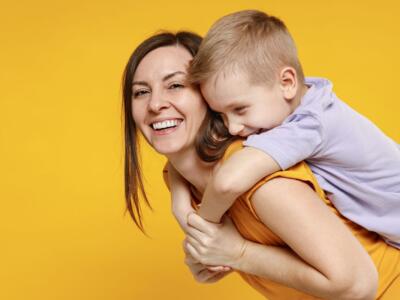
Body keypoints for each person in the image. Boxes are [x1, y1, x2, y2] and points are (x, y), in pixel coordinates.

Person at [122, 31, 400, 299]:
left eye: (175, 85)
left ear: (208, 94)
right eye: (141, 92)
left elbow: (357, 285)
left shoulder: (259, 179)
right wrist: (203, 246)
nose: (155, 103)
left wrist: (235, 252)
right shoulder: (180, 177)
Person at [170, 10, 400, 249]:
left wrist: (201, 231)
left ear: (287, 83)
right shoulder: (292, 99)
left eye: (240, 109)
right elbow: (192, 152)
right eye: (220, 114)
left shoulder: (309, 124)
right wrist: (179, 200)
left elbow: (227, 182)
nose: (232, 127)